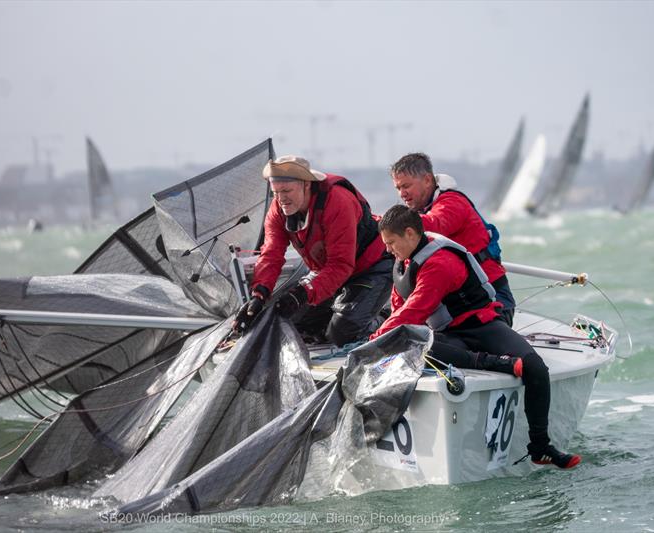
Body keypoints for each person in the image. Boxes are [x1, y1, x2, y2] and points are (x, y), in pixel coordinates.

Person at [370, 205, 580, 469]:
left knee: (535, 367)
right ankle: (497, 364)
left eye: (391, 243)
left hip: (482, 327)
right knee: (412, 348)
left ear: (410, 234)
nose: (388, 249)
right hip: (447, 335)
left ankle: (541, 446)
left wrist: (375, 341)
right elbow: (399, 308)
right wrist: (380, 338)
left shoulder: (439, 262)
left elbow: (415, 311)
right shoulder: (405, 261)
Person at [233, 155, 393, 346]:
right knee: (288, 322)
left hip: (370, 268)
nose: (281, 199)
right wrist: (259, 295)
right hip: (327, 272)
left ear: (306, 185)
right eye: (276, 193)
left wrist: (302, 294)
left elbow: (341, 265)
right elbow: (271, 253)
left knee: (342, 334)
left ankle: (385, 316)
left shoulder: (337, 202)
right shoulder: (278, 208)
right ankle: (339, 315)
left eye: (286, 191)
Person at [390, 152, 516, 326]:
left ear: (427, 180)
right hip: (456, 303)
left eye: (406, 186)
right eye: (398, 188)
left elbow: (435, 224)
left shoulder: (452, 203)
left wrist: (388, 224)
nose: (402, 193)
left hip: (492, 298)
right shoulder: (418, 216)